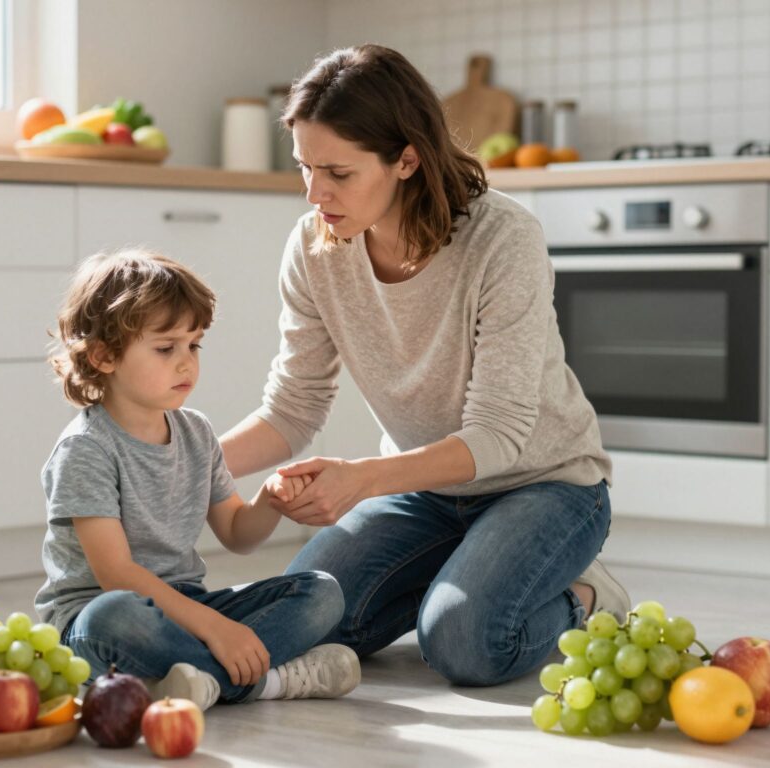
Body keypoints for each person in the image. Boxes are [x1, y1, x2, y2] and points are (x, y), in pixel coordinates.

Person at [219, 45, 630, 687]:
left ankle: (585, 597)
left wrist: (363, 479)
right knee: (304, 621)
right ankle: (467, 573)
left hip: (545, 485)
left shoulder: (503, 239)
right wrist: (184, 465)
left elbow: (498, 434)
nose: (315, 193)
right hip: (424, 492)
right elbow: (293, 407)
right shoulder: (313, 248)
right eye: (304, 167)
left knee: (464, 643)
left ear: (406, 160)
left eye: (338, 172)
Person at [34, 249, 361, 709]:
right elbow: (117, 576)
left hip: (186, 607)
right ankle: (270, 682)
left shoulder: (196, 431)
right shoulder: (85, 449)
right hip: (97, 619)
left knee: (321, 592)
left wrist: (270, 500)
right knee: (116, 615)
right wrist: (216, 629)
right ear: (104, 356)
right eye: (166, 348)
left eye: (194, 345)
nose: (186, 363)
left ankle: (187, 680)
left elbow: (237, 534)